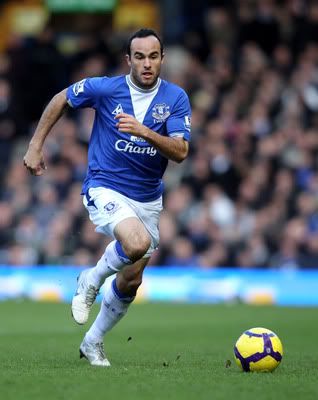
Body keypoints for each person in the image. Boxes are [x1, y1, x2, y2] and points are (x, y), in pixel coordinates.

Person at [23, 28, 191, 367]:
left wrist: (144, 131)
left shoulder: (175, 98)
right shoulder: (105, 88)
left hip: (147, 199)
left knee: (132, 278)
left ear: (162, 59)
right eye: (140, 57)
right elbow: (62, 99)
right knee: (136, 243)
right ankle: (92, 278)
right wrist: (35, 145)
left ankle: (92, 342)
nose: (147, 64)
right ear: (128, 60)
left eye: (153, 56)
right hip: (105, 186)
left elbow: (181, 151)